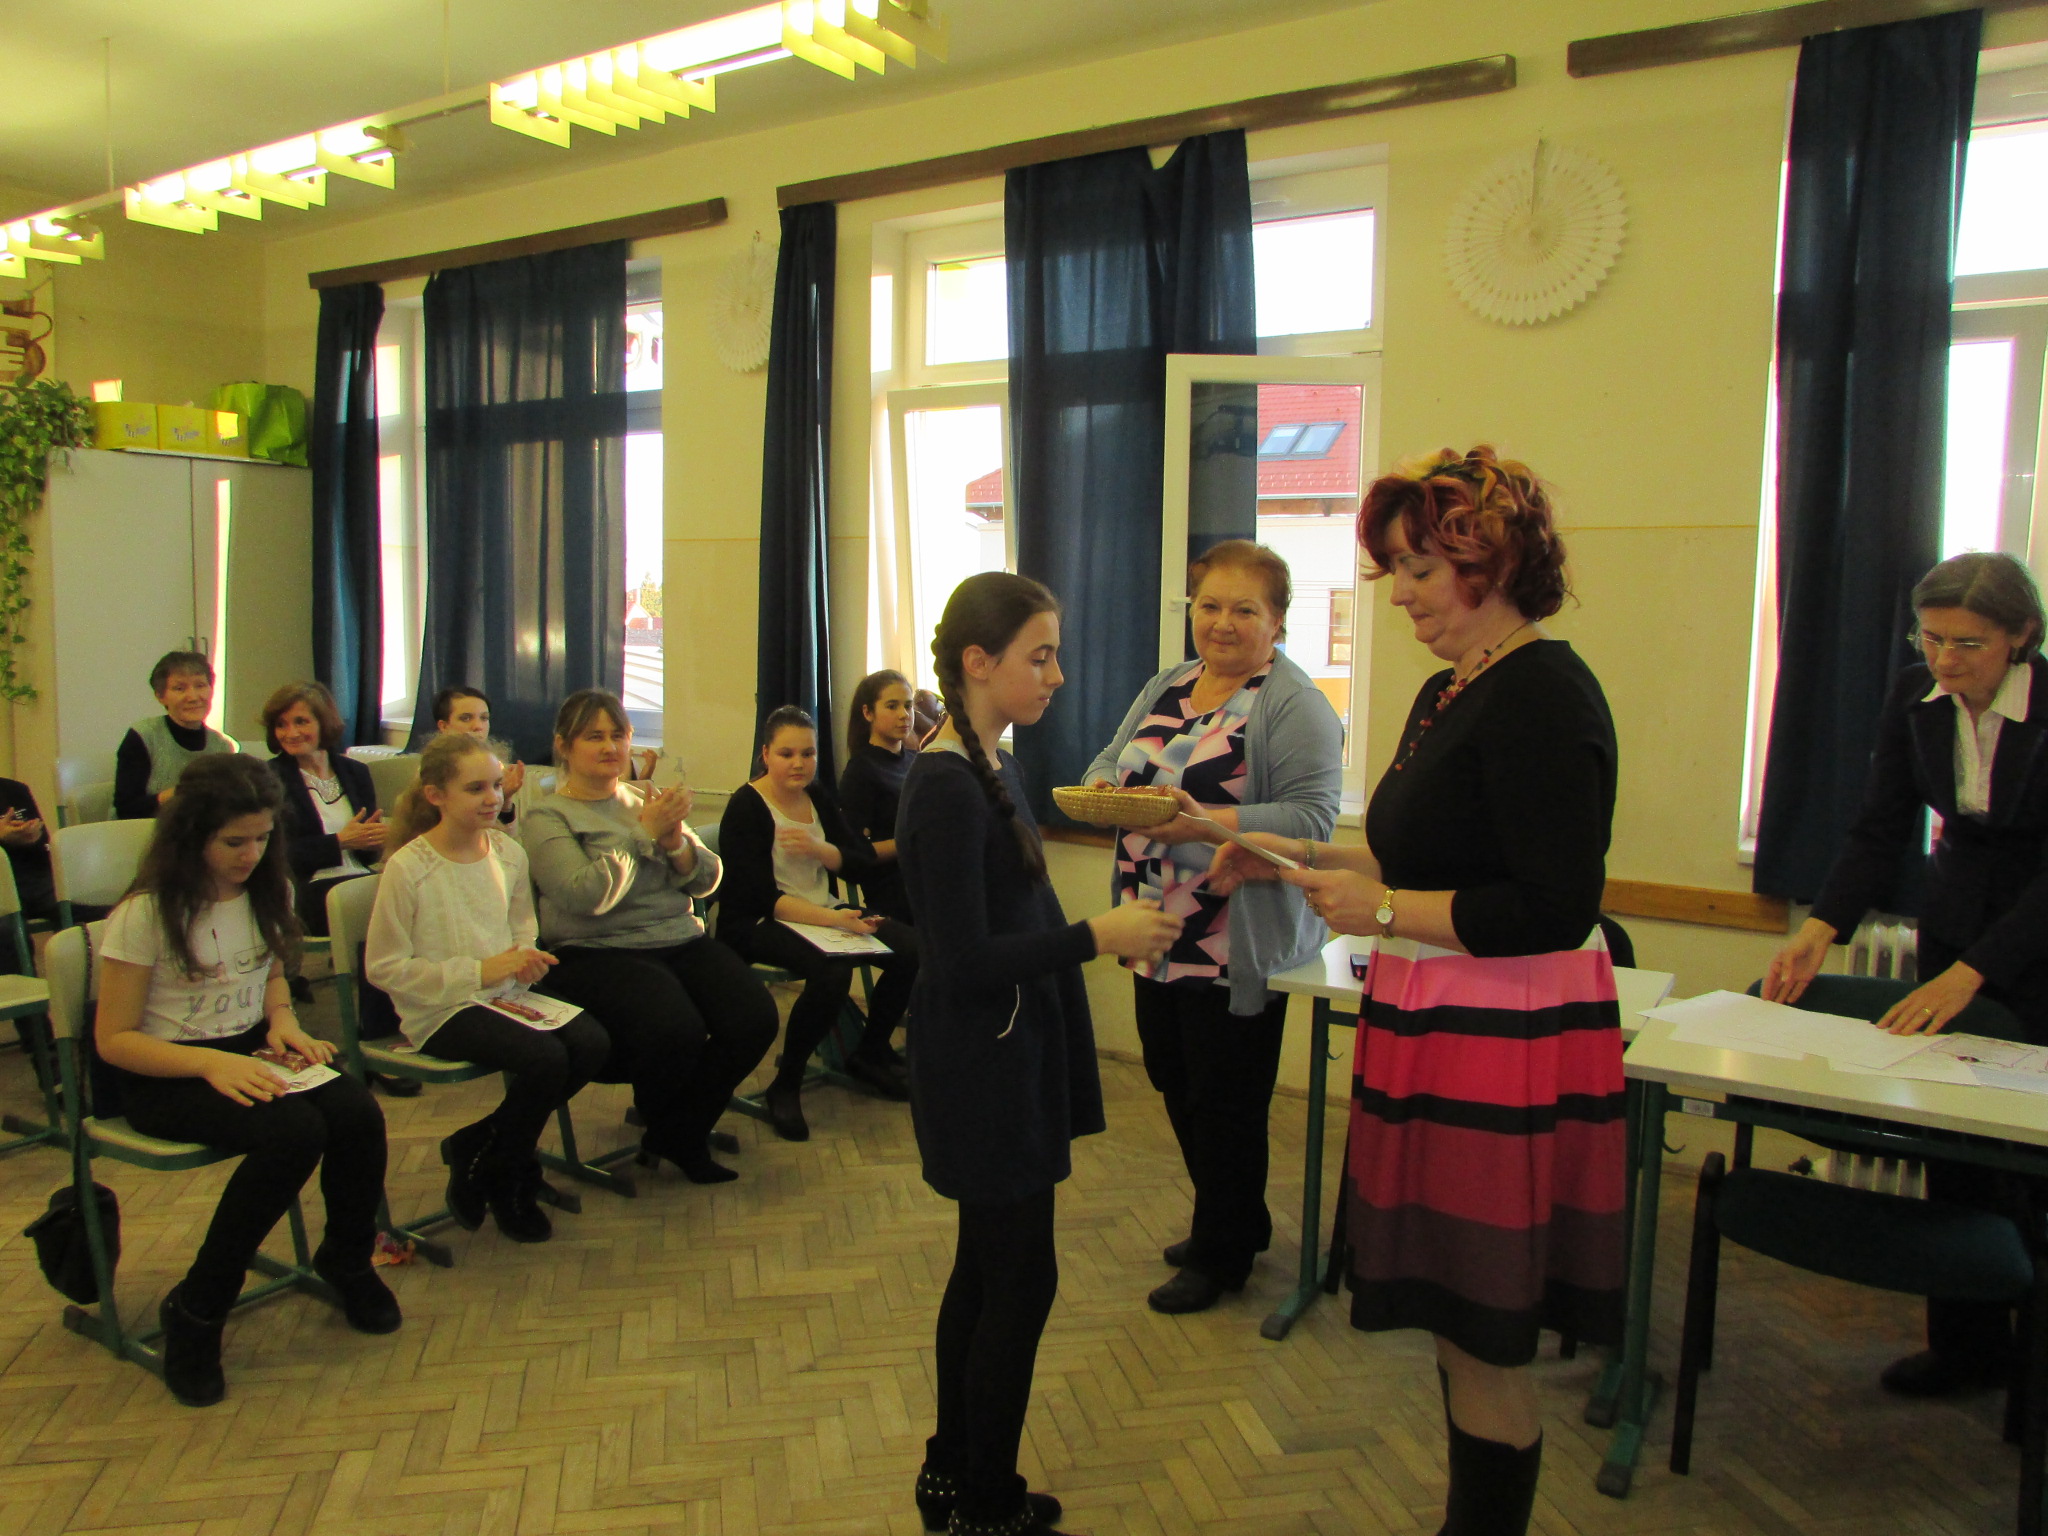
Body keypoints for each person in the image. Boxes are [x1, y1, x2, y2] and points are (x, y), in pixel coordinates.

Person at [1213, 446, 1622, 1536]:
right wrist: (1294, 862)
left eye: (1420, 571)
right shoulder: (1453, 690)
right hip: (1440, 1019)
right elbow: (1415, 857)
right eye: (1395, 569)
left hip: (1499, 1035)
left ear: (1497, 565)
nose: (1397, 595)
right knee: (1456, 1325)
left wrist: (1385, 913)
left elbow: (1551, 907)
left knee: (1484, 1330)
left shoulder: (1543, 693)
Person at [898, 571, 1181, 1536]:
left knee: (988, 1271)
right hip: (979, 1064)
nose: (1057, 674)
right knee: (1017, 1281)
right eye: (1042, 655)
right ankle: (986, 1503)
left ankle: (952, 1473)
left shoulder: (992, 763)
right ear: (980, 663)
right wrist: (1097, 937)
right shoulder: (945, 785)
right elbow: (963, 961)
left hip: (1006, 1051)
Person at [1764, 550, 2048, 1398]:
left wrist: (1974, 973)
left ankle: (2035, 1368)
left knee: (2030, 1152)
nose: (1945, 659)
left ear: (2020, 636)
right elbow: (1880, 825)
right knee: (1954, 1140)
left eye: (1968, 643)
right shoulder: (1913, 697)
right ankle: (1968, 1348)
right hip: (1954, 910)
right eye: (1931, 639)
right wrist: (1821, 927)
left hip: (2037, 930)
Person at [1083, 539, 1342, 1314]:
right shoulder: (1169, 682)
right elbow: (1108, 762)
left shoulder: (1294, 704)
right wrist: (1105, 791)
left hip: (1235, 937)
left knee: (1225, 1101)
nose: (1222, 623)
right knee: (1173, 1077)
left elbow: (1311, 819)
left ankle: (1222, 1251)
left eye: (1244, 610)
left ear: (1278, 621)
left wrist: (1200, 822)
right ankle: (1238, 1220)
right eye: (1209, 606)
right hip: (1152, 926)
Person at [94, 754, 398, 1408]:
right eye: (234, 842)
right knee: (293, 1134)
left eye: (262, 838)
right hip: (163, 1071)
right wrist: (212, 1063)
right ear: (192, 835)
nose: (251, 854)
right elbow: (114, 1039)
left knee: (356, 1112)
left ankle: (346, 1259)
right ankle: (200, 1307)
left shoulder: (267, 889)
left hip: (244, 1050)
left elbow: (272, 975)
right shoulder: (146, 913)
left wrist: (283, 1022)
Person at [521, 689, 776, 1184]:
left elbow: (708, 880)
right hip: (596, 951)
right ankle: (678, 1130)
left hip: (677, 937)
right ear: (564, 746)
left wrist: (676, 843)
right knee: (676, 1028)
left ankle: (677, 1129)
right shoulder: (547, 816)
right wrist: (643, 835)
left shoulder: (645, 800)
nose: (609, 746)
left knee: (754, 1018)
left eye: (618, 735)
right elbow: (583, 896)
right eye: (593, 736)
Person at [365, 731, 610, 1243]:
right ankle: (510, 1180)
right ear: (436, 795)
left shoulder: (507, 852)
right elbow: (384, 967)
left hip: (505, 995)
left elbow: (521, 925)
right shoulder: (409, 868)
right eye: (475, 789)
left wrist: (524, 958)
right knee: (545, 1060)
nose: (492, 798)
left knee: (591, 1041)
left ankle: (484, 1144)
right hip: (441, 1008)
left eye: (497, 786)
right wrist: (481, 971)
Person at [718, 707, 920, 1138]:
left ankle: (870, 1051)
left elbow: (857, 860)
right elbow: (764, 900)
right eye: (787, 754)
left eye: (808, 754)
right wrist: (836, 920)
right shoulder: (746, 806)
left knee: (914, 950)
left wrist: (823, 852)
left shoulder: (817, 796)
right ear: (765, 755)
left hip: (823, 912)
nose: (799, 763)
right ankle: (786, 1083)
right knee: (833, 972)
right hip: (759, 922)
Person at [261, 682, 385, 938]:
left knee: (409, 889)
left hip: (360, 877)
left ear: (324, 723)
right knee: (375, 905)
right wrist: (338, 842)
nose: (291, 733)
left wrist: (375, 840)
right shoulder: (268, 778)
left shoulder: (356, 772)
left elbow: (368, 857)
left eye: (301, 722)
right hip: (309, 887)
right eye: (281, 725)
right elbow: (273, 855)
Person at [114, 651, 239, 820]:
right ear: (160, 696)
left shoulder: (222, 745)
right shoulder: (144, 736)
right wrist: (181, 792)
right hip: (144, 830)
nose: (193, 697)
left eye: (200, 686)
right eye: (179, 688)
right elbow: (126, 809)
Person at [838, 670, 916, 927]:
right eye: (892, 706)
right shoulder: (861, 771)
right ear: (868, 712)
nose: (904, 714)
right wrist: (910, 841)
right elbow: (853, 853)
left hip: (926, 873)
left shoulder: (917, 761)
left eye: (908, 706)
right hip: (894, 891)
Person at [0, 773, 54, 925]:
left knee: (87, 905)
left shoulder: (15, 790)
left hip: (32, 878)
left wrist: (31, 835)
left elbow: (44, 843)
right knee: (6, 928)